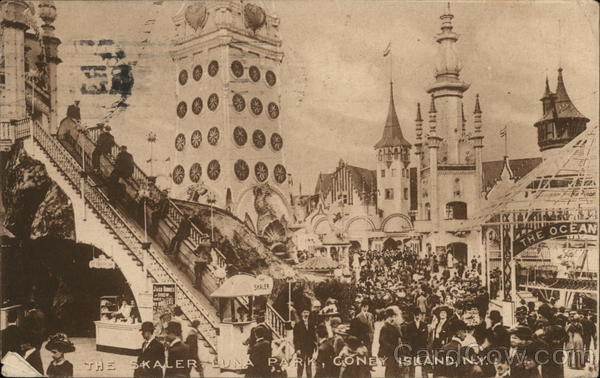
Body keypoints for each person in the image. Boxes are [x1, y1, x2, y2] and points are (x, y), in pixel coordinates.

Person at [378, 308, 401, 378]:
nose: (393, 318)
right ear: (388, 317)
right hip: (389, 353)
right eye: (391, 316)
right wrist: (392, 347)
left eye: (393, 316)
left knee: (395, 370)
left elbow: (399, 336)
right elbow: (382, 341)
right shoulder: (385, 327)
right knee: (390, 371)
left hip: (395, 352)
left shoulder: (394, 326)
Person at [293, 309, 316, 378]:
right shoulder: (298, 324)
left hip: (309, 348)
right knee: (300, 366)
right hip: (301, 348)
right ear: (301, 314)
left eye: (307, 312)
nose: (306, 314)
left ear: (309, 314)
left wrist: (315, 347)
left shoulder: (312, 324)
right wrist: (297, 349)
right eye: (304, 312)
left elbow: (313, 336)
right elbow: (295, 338)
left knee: (309, 366)